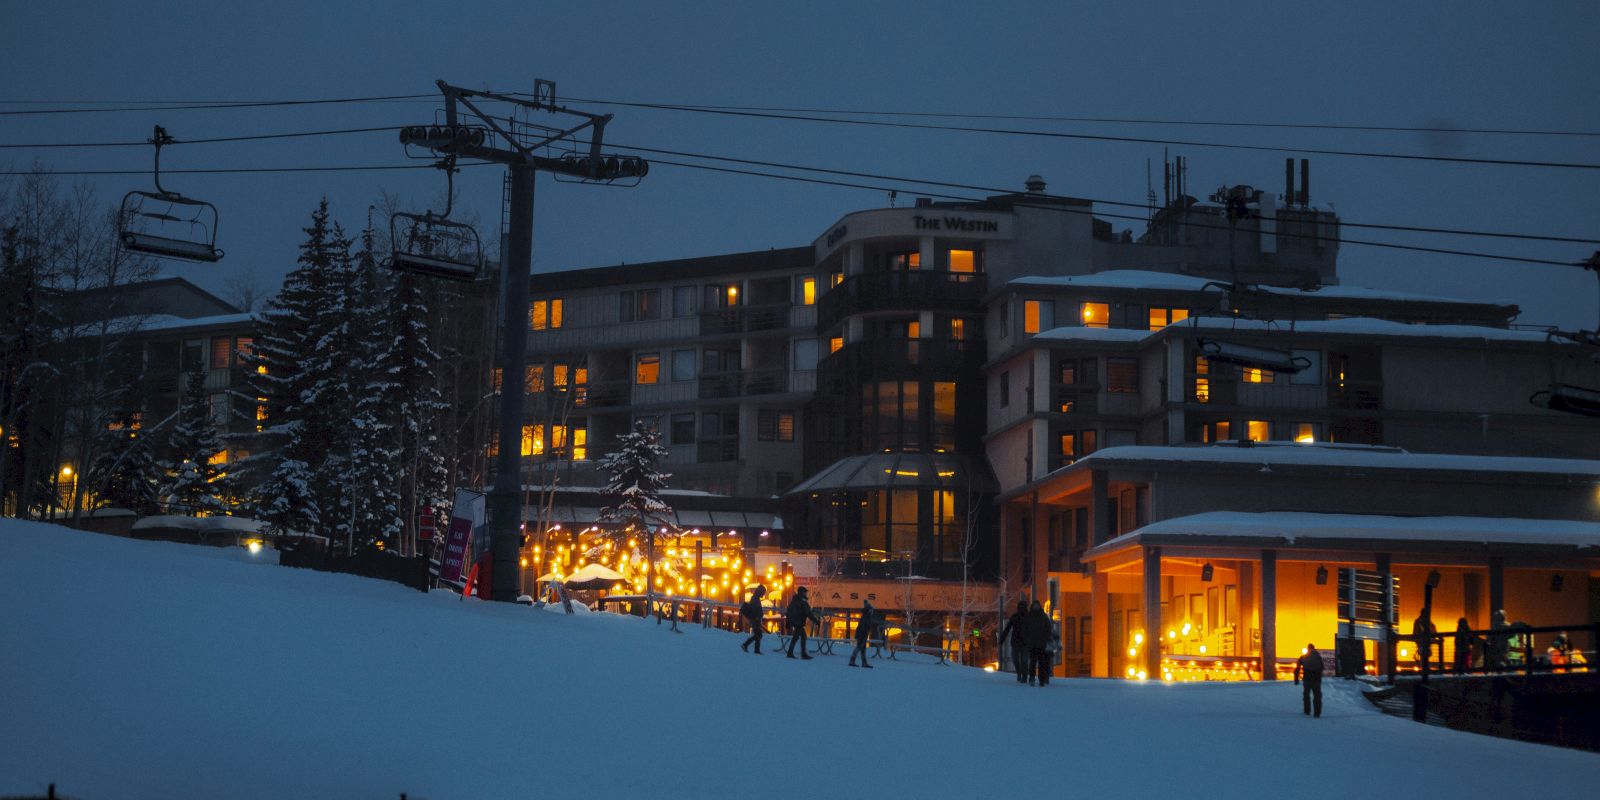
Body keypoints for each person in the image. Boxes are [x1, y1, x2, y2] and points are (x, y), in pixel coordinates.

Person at [996, 601, 1030, 683]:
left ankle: (1024, 676)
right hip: (1016, 641)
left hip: (1026, 642)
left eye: (1023, 606)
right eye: (1020, 606)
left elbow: (1034, 629)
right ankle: (1019, 673)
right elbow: (1008, 628)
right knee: (1015, 659)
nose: (1022, 608)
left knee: (1024, 660)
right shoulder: (1015, 616)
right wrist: (1002, 639)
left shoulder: (1029, 617)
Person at [1021, 600, 1054, 687]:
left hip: (1041, 643)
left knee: (1041, 663)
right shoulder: (1030, 617)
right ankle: (1032, 678)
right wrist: (1027, 639)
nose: (1036, 607)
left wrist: (1045, 637)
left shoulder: (1043, 617)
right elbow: (1025, 629)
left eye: (1037, 606)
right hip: (1032, 643)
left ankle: (1041, 679)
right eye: (1035, 606)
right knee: (1033, 662)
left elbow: (1048, 628)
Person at [785, 586, 820, 659]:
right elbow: (808, 613)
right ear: (802, 593)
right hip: (798, 622)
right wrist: (816, 620)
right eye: (805, 592)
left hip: (795, 621)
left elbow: (788, 611)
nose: (806, 594)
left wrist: (788, 622)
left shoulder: (795, 600)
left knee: (796, 637)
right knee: (803, 636)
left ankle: (790, 652)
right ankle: (803, 654)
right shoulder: (802, 601)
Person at [1294, 643, 1324, 717]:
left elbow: (1297, 668)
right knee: (1317, 696)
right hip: (1316, 679)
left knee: (1306, 695)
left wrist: (1296, 679)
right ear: (1314, 648)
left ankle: (1307, 711)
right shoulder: (1318, 656)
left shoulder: (1303, 657)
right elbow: (1322, 667)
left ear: (1307, 649)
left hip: (1307, 678)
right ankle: (1317, 713)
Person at [848, 599, 878, 668]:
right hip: (862, 635)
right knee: (859, 647)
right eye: (871, 610)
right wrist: (864, 633)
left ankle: (863, 662)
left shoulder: (866, 616)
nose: (872, 611)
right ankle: (852, 661)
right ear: (869, 610)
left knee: (863, 649)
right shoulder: (866, 617)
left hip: (862, 634)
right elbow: (864, 627)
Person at [740, 584, 767, 654]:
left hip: (755, 619)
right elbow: (756, 609)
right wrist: (759, 615)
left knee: (758, 634)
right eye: (763, 593)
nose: (764, 594)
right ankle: (746, 645)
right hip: (755, 619)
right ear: (760, 592)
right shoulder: (755, 599)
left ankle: (754, 649)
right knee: (758, 634)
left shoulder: (755, 598)